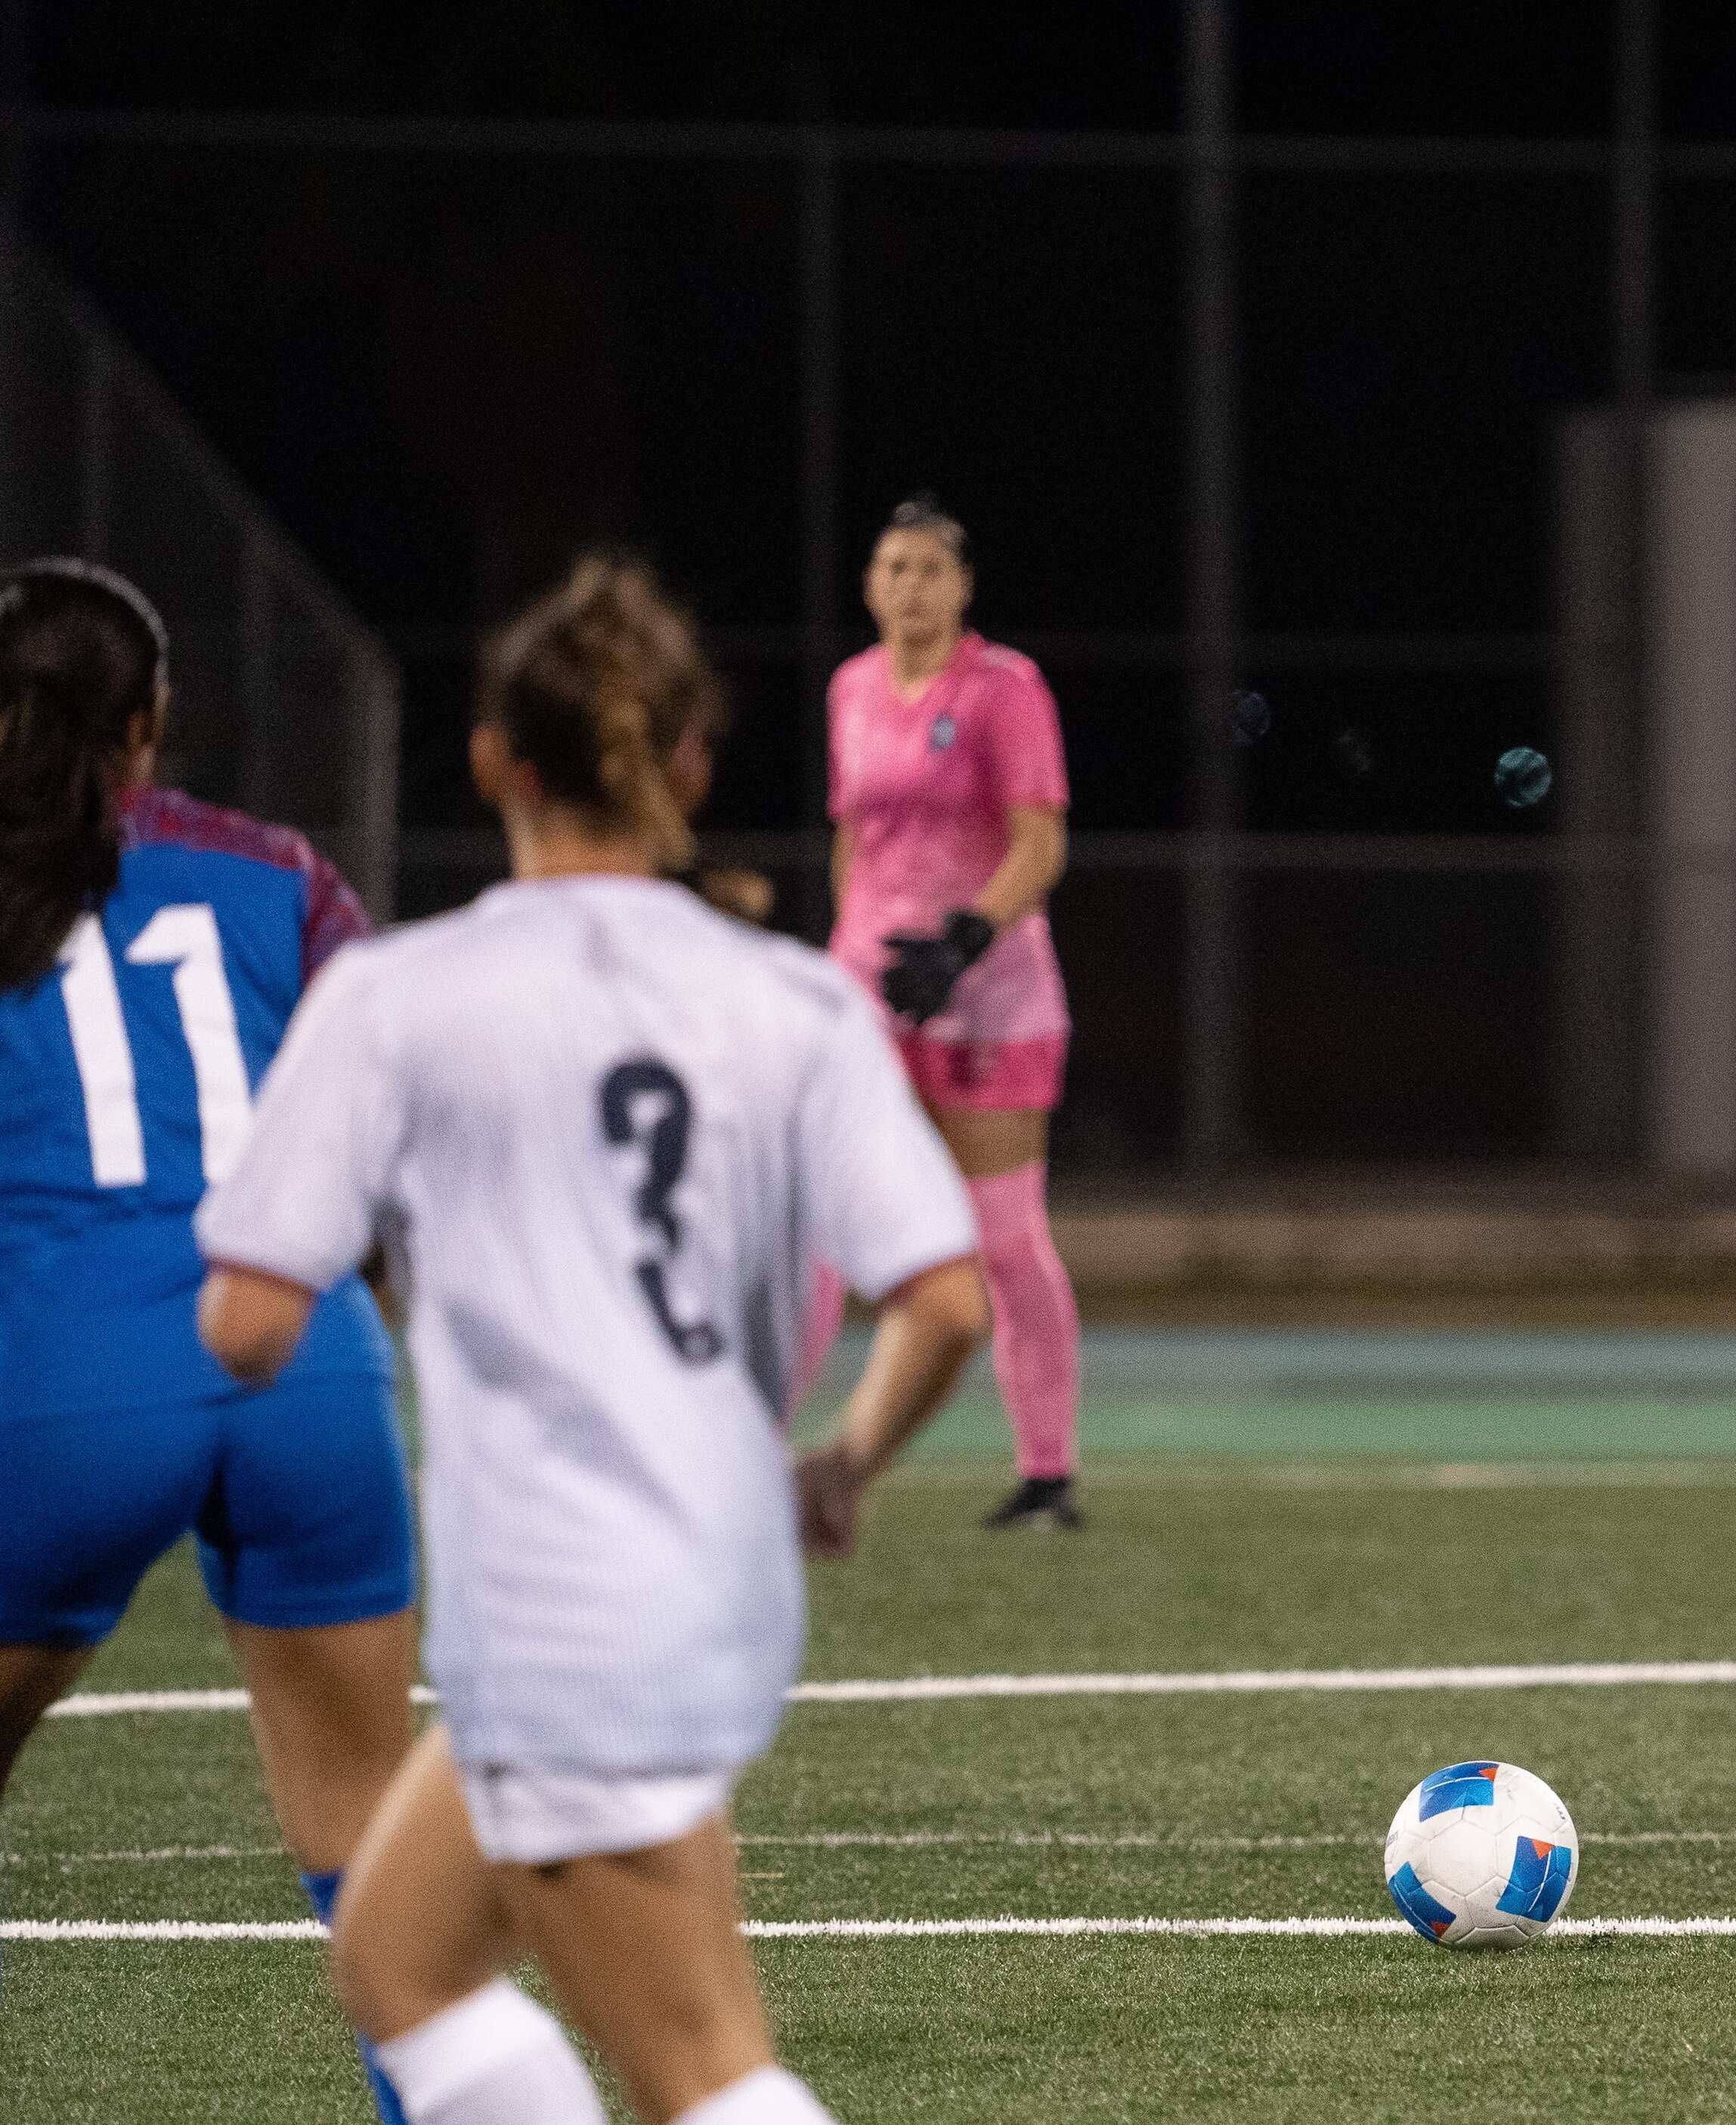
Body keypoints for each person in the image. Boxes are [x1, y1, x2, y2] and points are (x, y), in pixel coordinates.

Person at [193, 557, 990, 2125]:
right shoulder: (793, 1000)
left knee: (704, 2071)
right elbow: (948, 1298)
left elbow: (246, 1322)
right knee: (401, 1961)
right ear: (689, 765)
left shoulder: (401, 995)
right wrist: (842, 1464)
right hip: (710, 1569)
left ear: (495, 761)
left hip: (564, 1589)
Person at [0, 559, 420, 2119]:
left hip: (66, 1378)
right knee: (373, 1848)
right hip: (309, 1363)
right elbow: (393, 1112)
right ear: (154, 718)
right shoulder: (276, 871)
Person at [810, 494, 1081, 1531]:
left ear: (963, 588)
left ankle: (1046, 1472)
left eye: (929, 569)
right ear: (869, 584)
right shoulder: (852, 689)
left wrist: (965, 940)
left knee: (1004, 1240)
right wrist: (853, 952)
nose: (909, 587)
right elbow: (855, 840)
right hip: (871, 990)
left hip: (991, 1002)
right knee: (818, 1223)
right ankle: (762, 1444)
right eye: (892, 567)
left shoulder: (1005, 689)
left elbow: (1039, 844)